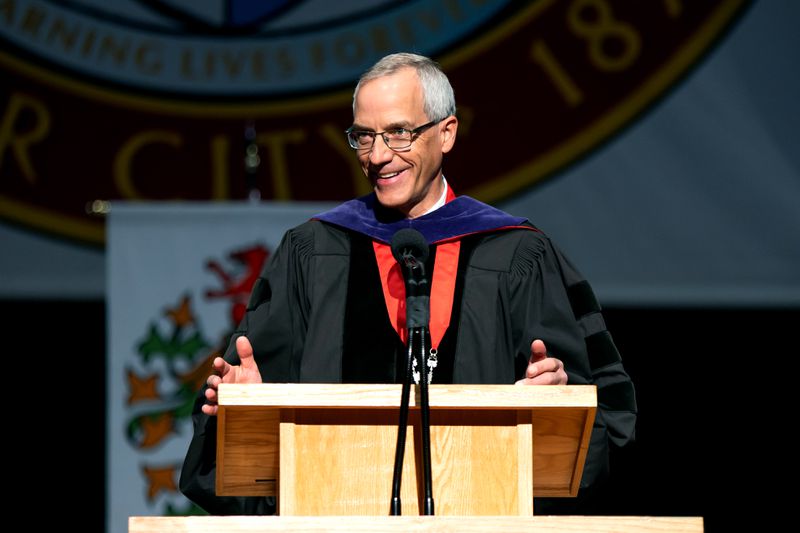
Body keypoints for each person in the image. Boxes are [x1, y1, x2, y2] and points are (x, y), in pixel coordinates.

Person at [179, 52, 637, 515]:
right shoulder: (314, 253)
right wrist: (246, 405)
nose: (378, 156)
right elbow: (233, 437)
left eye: (399, 133)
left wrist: (555, 406)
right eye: (363, 137)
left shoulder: (516, 253)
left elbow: (601, 421)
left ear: (446, 132)